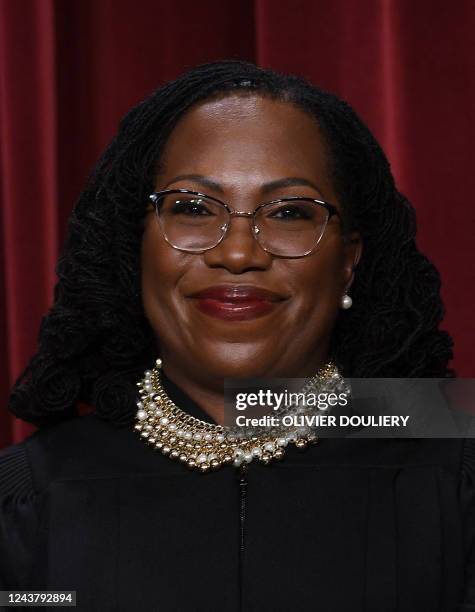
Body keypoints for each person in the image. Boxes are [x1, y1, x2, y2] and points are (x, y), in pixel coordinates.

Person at [0, 60, 473, 611]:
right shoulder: (27, 502)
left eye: (290, 212)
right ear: (135, 246)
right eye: (193, 208)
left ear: (349, 261)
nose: (238, 253)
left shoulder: (454, 482)